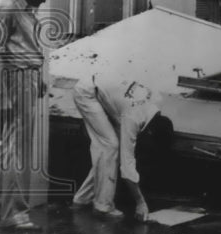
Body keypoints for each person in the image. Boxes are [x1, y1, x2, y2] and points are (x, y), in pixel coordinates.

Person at [0, 0, 57, 231]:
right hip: (17, 80)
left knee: (13, 147)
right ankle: (13, 213)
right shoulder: (9, 8)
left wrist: (38, 78)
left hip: (27, 79)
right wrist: (3, 95)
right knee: (16, 150)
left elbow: (25, 46)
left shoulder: (27, 9)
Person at [72, 77, 173, 221]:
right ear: (150, 133)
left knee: (111, 152)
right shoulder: (133, 118)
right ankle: (102, 207)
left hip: (100, 86)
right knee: (110, 146)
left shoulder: (154, 103)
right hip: (87, 93)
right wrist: (140, 202)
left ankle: (82, 199)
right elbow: (127, 168)